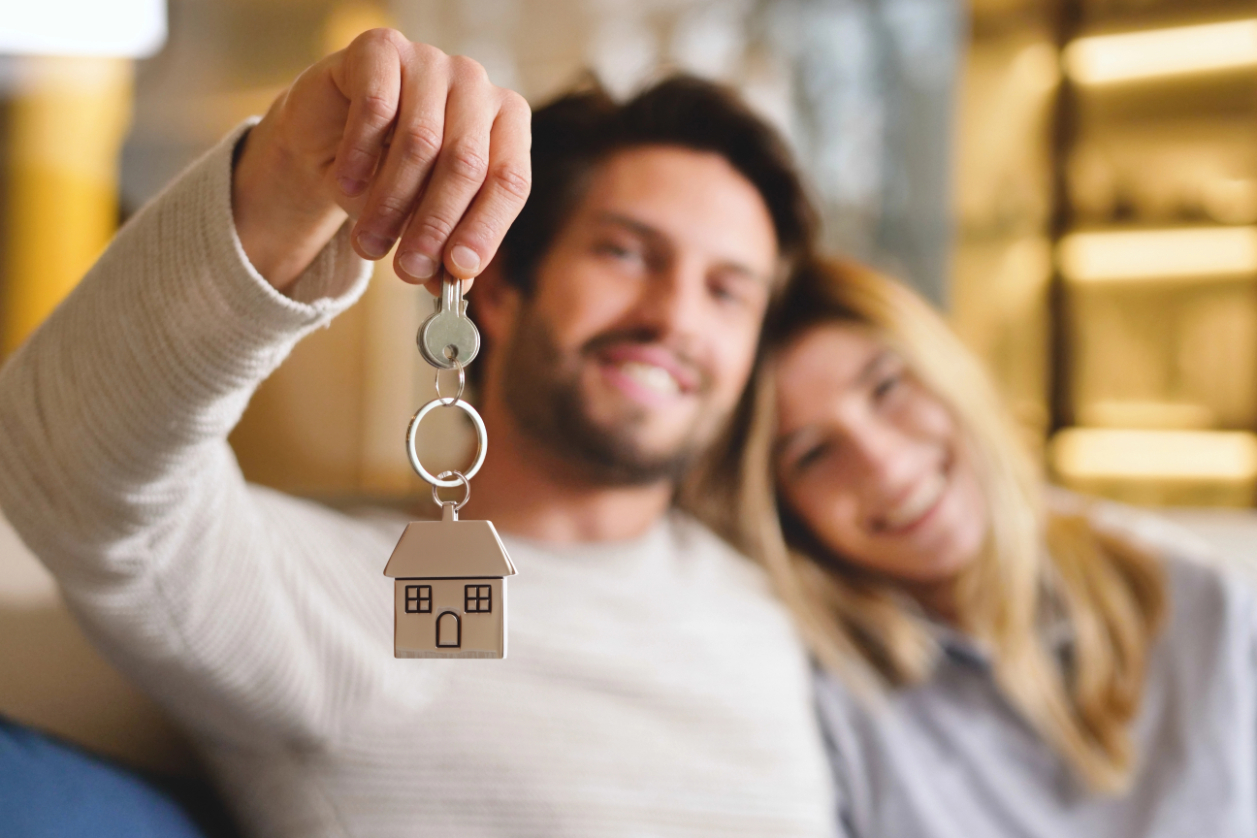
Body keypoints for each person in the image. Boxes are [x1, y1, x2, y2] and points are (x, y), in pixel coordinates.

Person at [0, 31, 835, 836]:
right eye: (624, 253)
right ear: (499, 287)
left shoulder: (773, 595)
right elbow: (70, 464)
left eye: (729, 292)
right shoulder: (377, 604)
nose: (675, 318)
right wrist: (285, 177)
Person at [688, 255, 1257, 836]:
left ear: (951, 371)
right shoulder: (815, 697)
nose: (884, 465)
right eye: (812, 454)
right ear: (784, 513)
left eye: (887, 387)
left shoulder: (1214, 613)